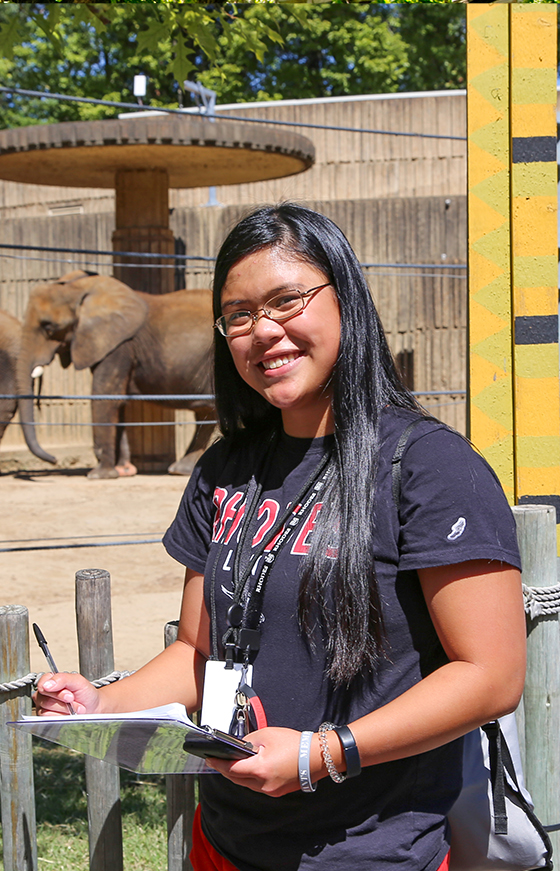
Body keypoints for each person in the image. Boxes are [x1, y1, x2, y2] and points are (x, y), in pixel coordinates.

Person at [32, 204, 525, 870]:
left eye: (285, 301)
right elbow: (197, 650)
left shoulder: (431, 467)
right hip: (227, 841)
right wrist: (103, 702)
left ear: (344, 298)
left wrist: (322, 753)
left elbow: (491, 675)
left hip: (369, 852)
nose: (263, 331)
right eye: (238, 314)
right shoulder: (225, 469)